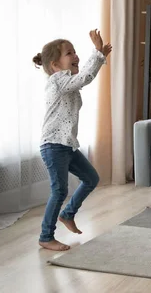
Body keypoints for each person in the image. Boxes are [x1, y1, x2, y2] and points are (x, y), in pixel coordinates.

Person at [32, 30, 112, 251]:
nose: (75, 55)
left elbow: (82, 77)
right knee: (59, 191)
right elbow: (85, 77)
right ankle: (45, 237)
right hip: (53, 145)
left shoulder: (67, 81)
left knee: (91, 178)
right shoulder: (57, 81)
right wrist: (97, 53)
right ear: (55, 65)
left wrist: (98, 56)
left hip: (67, 145)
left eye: (75, 51)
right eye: (70, 53)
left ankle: (67, 214)